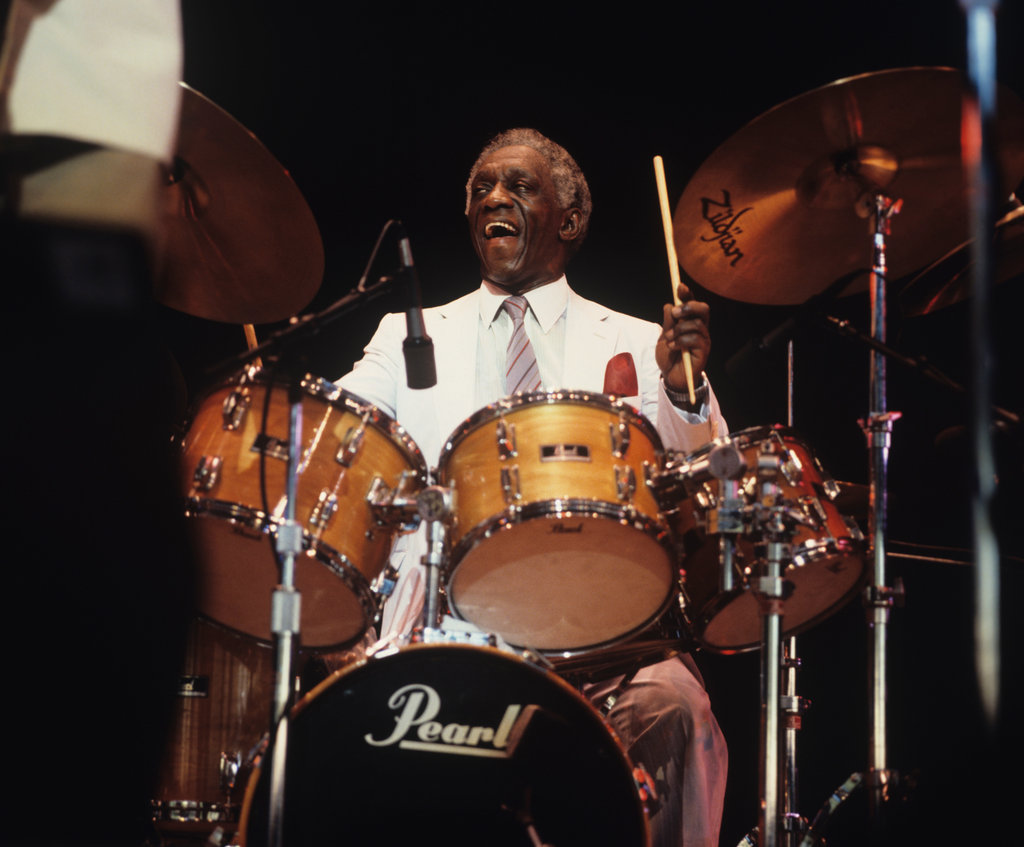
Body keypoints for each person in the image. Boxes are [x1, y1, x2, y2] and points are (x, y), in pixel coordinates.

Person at [337, 128, 728, 847]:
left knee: (677, 708)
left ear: (569, 221)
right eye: (481, 188)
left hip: (606, 627)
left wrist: (682, 390)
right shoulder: (406, 334)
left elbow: (705, 479)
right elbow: (342, 437)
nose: (494, 198)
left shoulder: (639, 340)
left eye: (518, 186)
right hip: (445, 620)